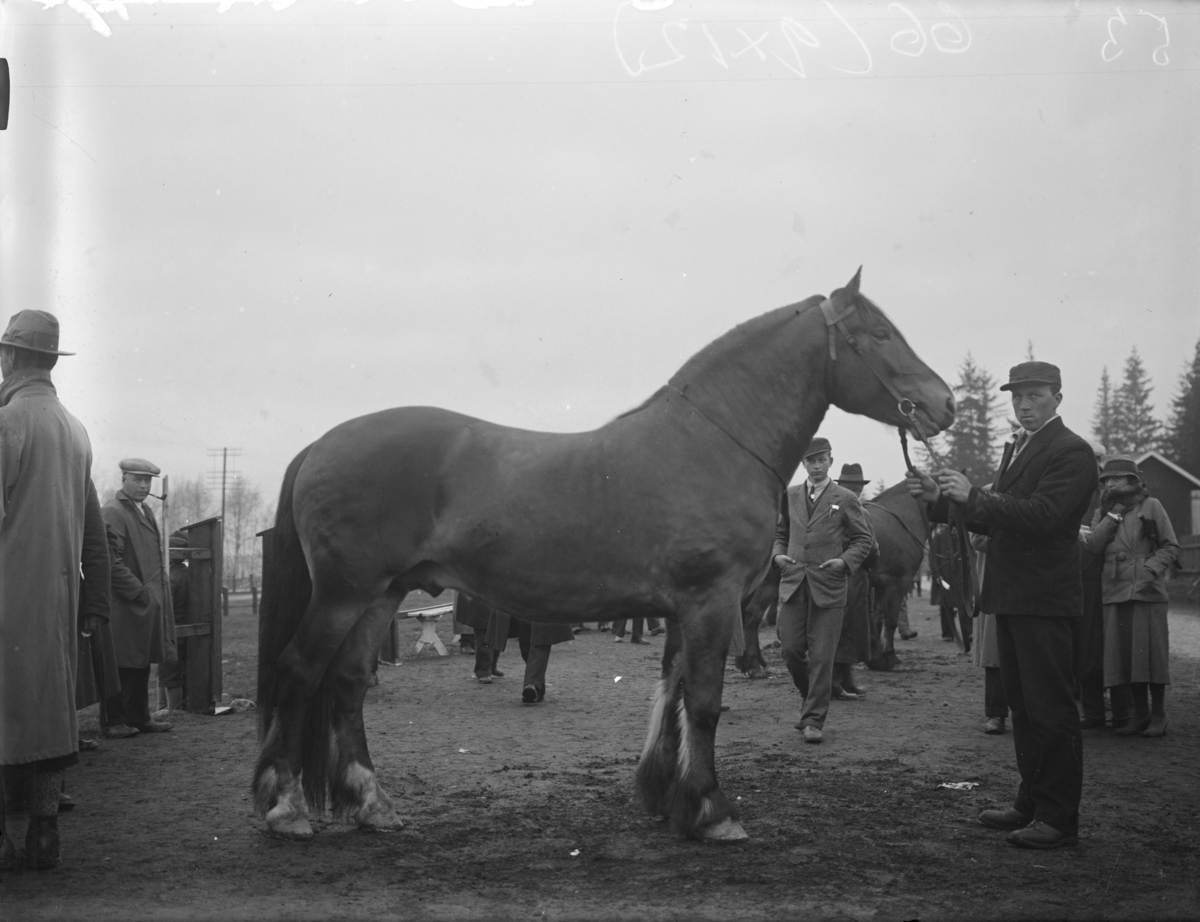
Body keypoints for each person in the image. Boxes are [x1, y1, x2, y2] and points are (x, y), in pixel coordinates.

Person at [907, 361, 1097, 850]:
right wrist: (940, 502)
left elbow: (1045, 517)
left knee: (1050, 710)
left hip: (1045, 601)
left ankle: (1058, 817)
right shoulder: (1019, 448)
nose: (1024, 405)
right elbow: (997, 522)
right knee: (1023, 707)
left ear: (1057, 396)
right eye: (1017, 397)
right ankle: (1031, 803)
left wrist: (973, 496)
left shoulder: (1071, 451)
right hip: (1012, 597)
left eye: (1034, 395)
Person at [0, 310, 93, 871]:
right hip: (59, 604)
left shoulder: (7, 423)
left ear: (10, 357)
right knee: (48, 715)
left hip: (6, 603)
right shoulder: (76, 430)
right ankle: (44, 833)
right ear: (51, 361)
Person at [772, 438, 874, 744]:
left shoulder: (844, 498)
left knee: (822, 656)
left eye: (821, 460)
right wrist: (777, 555)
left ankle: (814, 719)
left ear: (831, 461)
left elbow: (863, 540)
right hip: (793, 584)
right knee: (790, 649)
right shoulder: (789, 496)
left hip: (829, 587)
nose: (816, 467)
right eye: (810, 461)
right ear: (803, 464)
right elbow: (780, 533)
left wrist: (844, 561)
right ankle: (810, 698)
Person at [1083, 456, 1179, 738]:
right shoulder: (1105, 510)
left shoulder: (1152, 505)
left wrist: (1150, 568)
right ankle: (1140, 714)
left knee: (1151, 654)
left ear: (1132, 480)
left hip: (1147, 590)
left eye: (1116, 478)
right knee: (1124, 657)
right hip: (1114, 589)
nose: (1109, 483)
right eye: (1106, 480)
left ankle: (1159, 714)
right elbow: (1094, 546)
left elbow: (1170, 546)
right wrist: (1111, 517)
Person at [101, 459, 175, 737]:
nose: (144, 485)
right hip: (125, 603)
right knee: (121, 661)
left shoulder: (143, 511)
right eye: (138, 479)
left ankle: (140, 717)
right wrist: (138, 591)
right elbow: (110, 560)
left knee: (140, 660)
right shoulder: (114, 511)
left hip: (144, 603)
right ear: (123, 479)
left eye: (148, 481)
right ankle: (114, 721)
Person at [454, 595, 574, 702]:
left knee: (534, 642)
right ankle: (534, 685)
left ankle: (533, 685)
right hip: (533, 599)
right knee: (537, 643)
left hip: (519, 599)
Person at [831, 463, 875, 700]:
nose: (855, 490)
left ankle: (845, 679)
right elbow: (870, 548)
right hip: (849, 575)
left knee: (848, 630)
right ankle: (836, 682)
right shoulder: (851, 510)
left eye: (856, 486)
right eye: (851, 486)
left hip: (850, 576)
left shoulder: (835, 506)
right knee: (843, 628)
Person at [155, 531, 190, 714]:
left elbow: (164, 607)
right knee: (169, 671)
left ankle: (172, 710)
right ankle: (165, 707)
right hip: (182, 629)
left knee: (169, 673)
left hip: (171, 630)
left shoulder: (170, 578)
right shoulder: (188, 574)